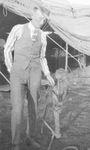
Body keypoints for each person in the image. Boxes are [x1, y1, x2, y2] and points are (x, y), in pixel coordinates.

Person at [4, 6, 55, 150]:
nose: (41, 22)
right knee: (18, 108)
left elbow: (42, 57)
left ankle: (30, 138)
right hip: (18, 73)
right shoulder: (18, 29)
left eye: (44, 20)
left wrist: (47, 74)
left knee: (34, 108)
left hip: (35, 73)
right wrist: (11, 69)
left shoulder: (43, 35)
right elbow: (7, 49)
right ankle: (15, 143)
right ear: (33, 15)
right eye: (39, 19)